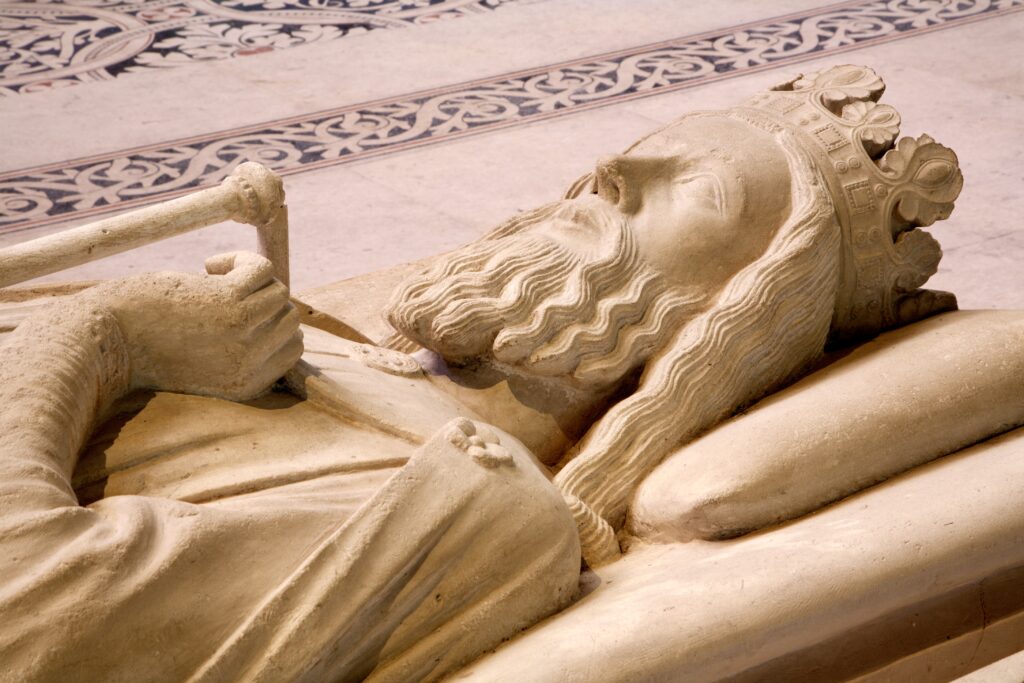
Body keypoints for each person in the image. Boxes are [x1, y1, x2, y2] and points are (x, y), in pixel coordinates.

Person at [0, 65, 963, 681]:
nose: (611, 169)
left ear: (736, 318)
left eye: (696, 192)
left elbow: (28, 596)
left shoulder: (459, 507)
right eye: (645, 151)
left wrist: (107, 328)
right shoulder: (321, 336)